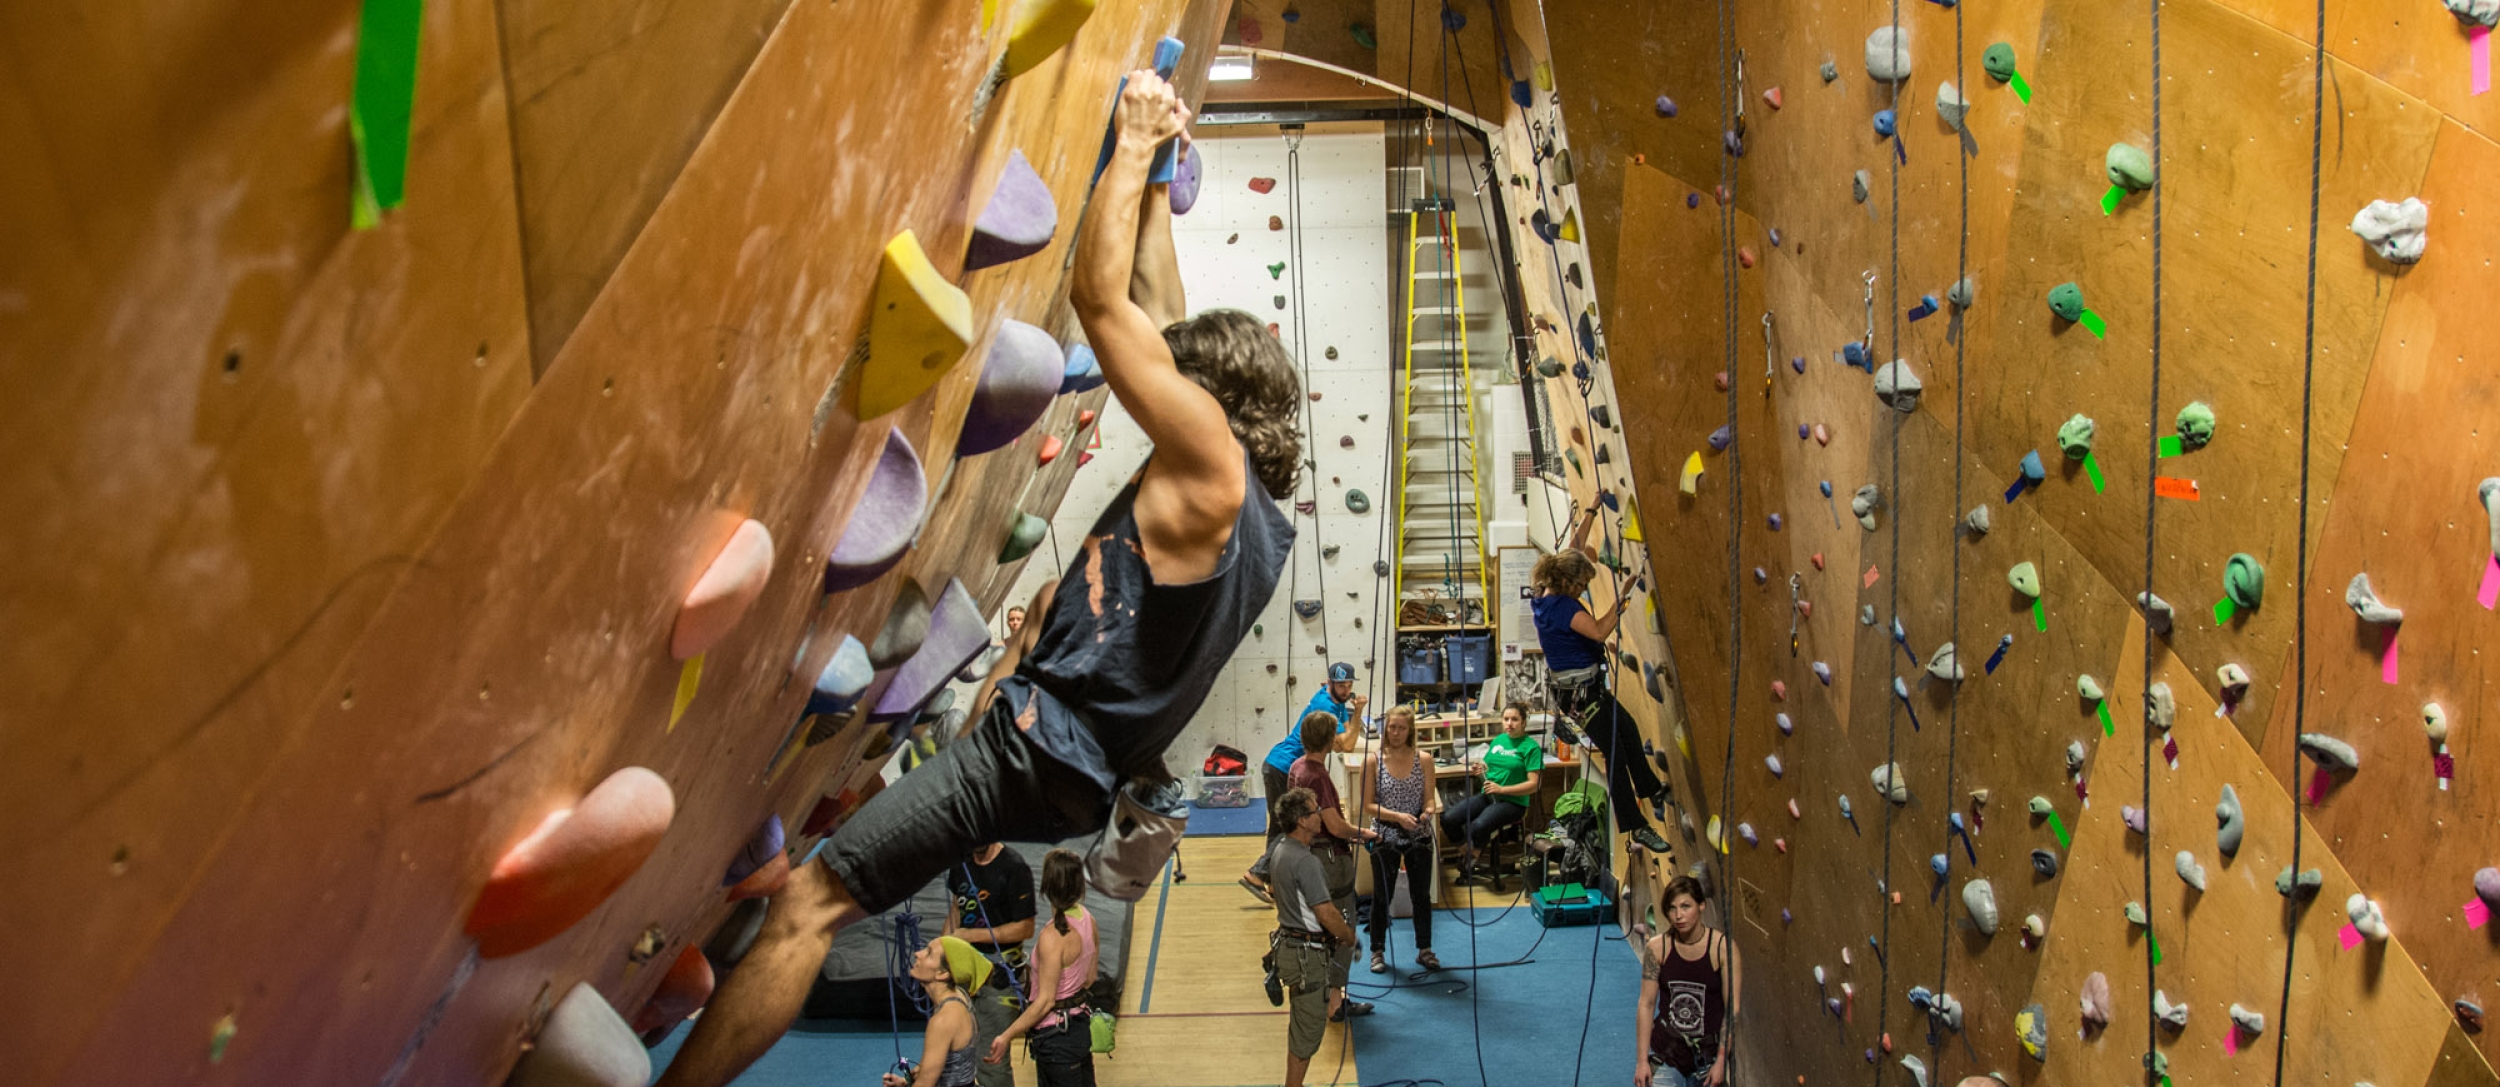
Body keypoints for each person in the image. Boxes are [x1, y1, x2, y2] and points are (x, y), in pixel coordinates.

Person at [655, 69, 1301, 1087]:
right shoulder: (1255, 509)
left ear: (1207, 400)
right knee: (824, 895)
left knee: (812, 905)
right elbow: (1152, 305)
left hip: (1033, 754)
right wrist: (1157, 168)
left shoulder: (1209, 461)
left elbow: (1101, 303)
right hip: (1065, 769)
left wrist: (1133, 135)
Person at [1533, 511, 1673, 855]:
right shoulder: (1563, 608)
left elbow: (1573, 549)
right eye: (1581, 585)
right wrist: (1623, 596)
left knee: (1627, 728)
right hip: (1582, 694)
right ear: (1567, 582)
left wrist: (1592, 509)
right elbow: (1598, 630)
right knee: (1616, 751)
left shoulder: (1544, 593)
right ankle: (1636, 827)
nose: (1583, 590)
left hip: (1581, 691)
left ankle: (1649, 787)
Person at [1244, 663, 1367, 902]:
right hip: (1283, 766)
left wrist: (1349, 711)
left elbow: (1344, 734)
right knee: (1291, 826)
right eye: (1341, 685)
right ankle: (1257, 873)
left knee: (1280, 827)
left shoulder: (1334, 700)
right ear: (1330, 683)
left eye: (1349, 684)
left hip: (1280, 764)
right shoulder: (1327, 705)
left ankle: (1269, 880)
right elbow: (1346, 745)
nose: (1346, 690)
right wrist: (1359, 712)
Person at [1283, 710, 1376, 1017]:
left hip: (1307, 853)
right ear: (1329, 741)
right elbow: (1334, 826)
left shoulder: (1297, 767)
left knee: (1317, 925)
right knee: (1342, 926)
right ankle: (1335, 1002)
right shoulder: (1318, 776)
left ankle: (1321, 990)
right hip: (1329, 857)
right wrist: (1364, 833)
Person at [1266, 787, 1359, 1087]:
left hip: (1291, 949)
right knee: (1306, 1033)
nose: (1320, 814)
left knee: (1301, 1027)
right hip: (1307, 957)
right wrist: (1348, 936)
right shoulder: (1306, 862)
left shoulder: (1281, 849)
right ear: (1303, 821)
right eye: (1315, 810)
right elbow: (1326, 913)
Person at [986, 849, 1100, 1086]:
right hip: (1079, 1029)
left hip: (1057, 1039)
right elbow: (1089, 977)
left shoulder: (1052, 937)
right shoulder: (1088, 919)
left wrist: (1007, 1035)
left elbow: (1046, 1001)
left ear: (1046, 887)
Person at [944, 843, 1035, 1087]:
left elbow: (1025, 927)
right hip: (965, 973)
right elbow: (957, 907)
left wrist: (971, 936)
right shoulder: (961, 862)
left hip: (998, 979)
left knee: (990, 1062)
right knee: (954, 1054)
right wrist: (942, 953)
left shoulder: (1014, 868)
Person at [1636, 876, 1740, 1087]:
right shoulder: (1657, 948)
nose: (1679, 915)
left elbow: (1732, 1010)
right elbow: (1646, 1004)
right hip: (1668, 1050)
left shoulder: (1723, 948)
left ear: (1701, 905)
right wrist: (1641, 1061)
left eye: (1686, 906)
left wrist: (1721, 1061)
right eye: (1672, 908)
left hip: (1709, 1056)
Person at [1359, 704, 1439, 972]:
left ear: (1410, 730)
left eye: (1401, 728)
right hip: (1384, 833)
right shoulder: (1373, 760)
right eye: (1391, 727)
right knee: (1382, 896)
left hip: (1418, 832)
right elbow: (1367, 805)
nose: (1395, 732)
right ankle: (1377, 950)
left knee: (1421, 895)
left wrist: (1428, 811)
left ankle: (1425, 948)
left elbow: (1429, 798)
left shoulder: (1424, 759)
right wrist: (1397, 817)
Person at [1437, 702, 1542, 883]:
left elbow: (1534, 785)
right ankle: (1466, 851)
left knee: (1478, 825)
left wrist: (1503, 789)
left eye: (1515, 719)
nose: (1509, 723)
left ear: (1524, 722)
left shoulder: (1531, 747)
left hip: (1513, 802)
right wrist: (1481, 769)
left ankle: (1474, 855)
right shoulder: (1499, 740)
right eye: (1506, 719)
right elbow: (1488, 764)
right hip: (1489, 795)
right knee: (1448, 818)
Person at [881, 936, 988, 1087]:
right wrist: (906, 1082)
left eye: (929, 953)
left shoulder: (943, 1020)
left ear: (942, 974)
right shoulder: (958, 996)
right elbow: (938, 1064)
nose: (918, 953)